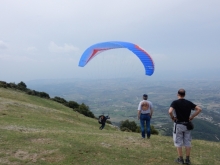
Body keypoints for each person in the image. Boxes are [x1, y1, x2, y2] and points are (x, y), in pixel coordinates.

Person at [168, 89, 202, 164]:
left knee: (178, 142)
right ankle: (187, 160)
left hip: (178, 124)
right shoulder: (188, 103)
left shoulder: (175, 102)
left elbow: (170, 111)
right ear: (184, 95)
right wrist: (192, 116)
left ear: (178, 94)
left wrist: (173, 117)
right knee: (187, 142)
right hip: (187, 124)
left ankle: (180, 159)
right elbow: (199, 109)